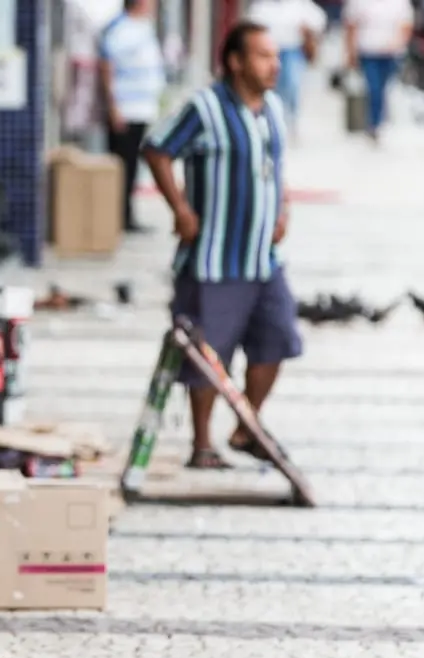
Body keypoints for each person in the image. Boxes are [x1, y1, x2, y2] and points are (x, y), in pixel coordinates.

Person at [141, 22, 303, 470]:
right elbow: (157, 148)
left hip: (262, 259)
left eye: (274, 56)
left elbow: (275, 167)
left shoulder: (273, 108)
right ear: (235, 62)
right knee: (209, 354)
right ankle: (202, 444)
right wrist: (180, 208)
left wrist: (283, 208)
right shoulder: (205, 107)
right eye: (263, 56)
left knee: (278, 339)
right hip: (213, 260)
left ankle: (246, 427)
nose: (274, 65)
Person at [98, 0, 167, 233]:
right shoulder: (119, 28)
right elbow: (107, 66)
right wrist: (113, 107)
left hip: (142, 107)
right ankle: (119, 217)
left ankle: (127, 215)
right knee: (122, 165)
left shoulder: (144, 27)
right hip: (125, 109)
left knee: (133, 165)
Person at [247, 0, 328, 131]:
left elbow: (319, 19)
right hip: (270, 50)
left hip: (292, 51)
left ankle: (291, 119)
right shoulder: (263, 6)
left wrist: (307, 29)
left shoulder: (299, 5)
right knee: (270, 87)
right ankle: (272, 118)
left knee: (292, 85)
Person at [343, 0, 414, 140]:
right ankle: (374, 123)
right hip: (368, 51)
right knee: (373, 88)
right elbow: (351, 25)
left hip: (391, 54)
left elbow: (406, 25)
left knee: (384, 88)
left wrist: (397, 44)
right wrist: (350, 52)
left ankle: (379, 119)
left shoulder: (399, 3)